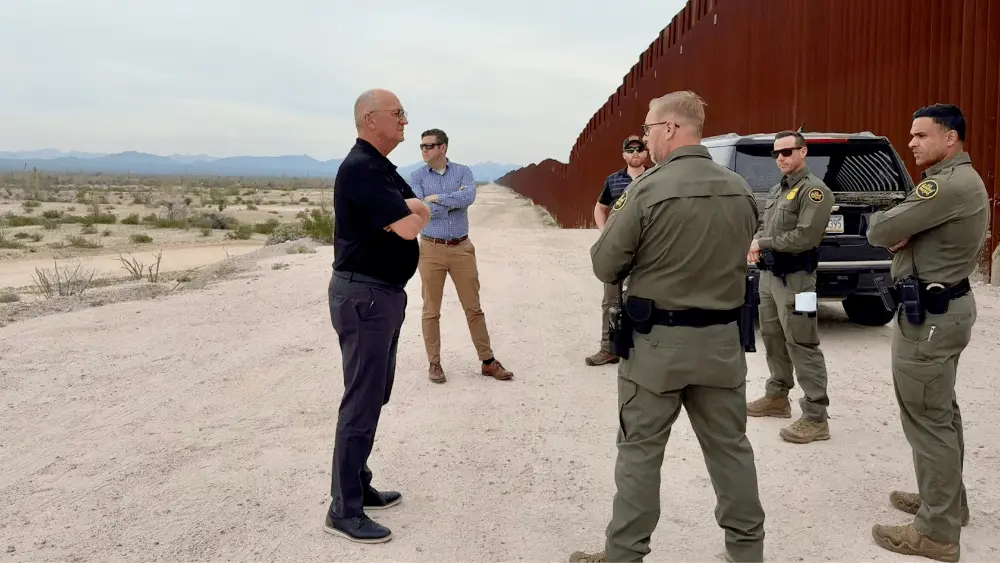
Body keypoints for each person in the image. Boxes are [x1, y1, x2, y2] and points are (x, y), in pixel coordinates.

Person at [569, 91, 766, 563]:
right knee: (731, 451)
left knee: (640, 453)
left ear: (671, 129)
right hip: (722, 344)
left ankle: (624, 554)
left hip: (657, 347)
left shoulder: (646, 189)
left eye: (650, 128)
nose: (647, 138)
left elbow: (605, 264)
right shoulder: (739, 188)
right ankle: (747, 552)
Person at [866, 103, 989, 563]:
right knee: (941, 412)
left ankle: (937, 533)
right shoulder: (959, 181)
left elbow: (880, 229)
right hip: (946, 310)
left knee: (928, 420)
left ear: (950, 138)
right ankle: (948, 502)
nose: (912, 142)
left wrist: (898, 230)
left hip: (931, 320)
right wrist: (907, 233)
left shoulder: (946, 184)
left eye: (921, 135)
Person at [324, 88, 430, 544]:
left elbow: (415, 212)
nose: (405, 120)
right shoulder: (361, 169)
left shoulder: (381, 167)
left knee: (375, 394)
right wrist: (413, 212)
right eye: (398, 113)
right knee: (361, 399)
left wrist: (414, 210)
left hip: (381, 295)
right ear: (370, 119)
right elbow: (410, 224)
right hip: (364, 296)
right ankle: (343, 509)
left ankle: (358, 483)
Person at [745, 130, 835, 444]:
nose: (780, 158)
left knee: (802, 342)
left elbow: (805, 237)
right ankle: (777, 397)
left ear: (803, 152)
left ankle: (816, 416)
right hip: (770, 277)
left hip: (798, 281)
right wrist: (756, 242)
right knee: (773, 337)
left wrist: (762, 243)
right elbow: (764, 226)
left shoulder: (814, 191)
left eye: (787, 152)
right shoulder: (778, 189)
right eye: (776, 153)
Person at [408, 128, 514, 384]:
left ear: (443, 147)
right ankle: (434, 364)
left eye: (429, 146)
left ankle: (488, 362)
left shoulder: (463, 172)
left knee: (473, 308)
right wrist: (449, 204)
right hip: (431, 249)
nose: (424, 150)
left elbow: (469, 196)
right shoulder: (416, 176)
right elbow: (420, 208)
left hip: (461, 248)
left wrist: (437, 199)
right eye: (422, 146)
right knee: (431, 310)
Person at [585, 135, 649, 367]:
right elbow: (600, 207)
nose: (635, 153)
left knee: (647, 297)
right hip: (619, 248)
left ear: (646, 153)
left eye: (639, 149)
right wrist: (605, 234)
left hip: (647, 249)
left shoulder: (655, 177)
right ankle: (609, 348)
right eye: (630, 150)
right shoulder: (613, 181)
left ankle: (643, 349)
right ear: (623, 154)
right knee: (611, 299)